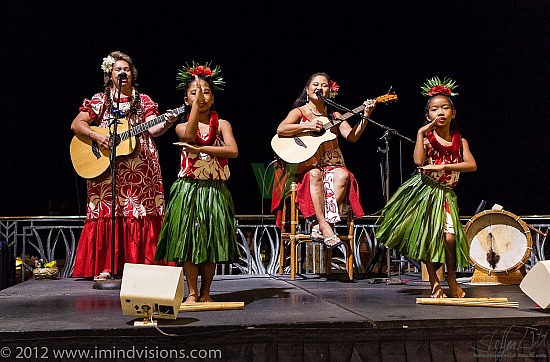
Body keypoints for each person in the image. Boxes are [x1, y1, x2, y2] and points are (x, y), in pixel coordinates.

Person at [70, 51, 178, 281]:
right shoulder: (100, 100)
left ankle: (142, 264)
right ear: (110, 75)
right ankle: (107, 266)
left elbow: (153, 129)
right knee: (111, 211)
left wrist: (166, 123)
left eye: (126, 69)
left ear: (133, 73)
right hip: (107, 168)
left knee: (139, 211)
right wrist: (97, 137)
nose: (122, 72)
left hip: (140, 169)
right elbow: (77, 124)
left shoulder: (144, 100)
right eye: (118, 69)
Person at [375, 76, 477, 298]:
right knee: (429, 238)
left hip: (446, 194)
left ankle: (451, 277)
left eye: (445, 108)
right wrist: (421, 133)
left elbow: (471, 165)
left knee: (449, 238)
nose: (440, 112)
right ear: (427, 116)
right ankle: (434, 280)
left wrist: (444, 166)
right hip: (425, 192)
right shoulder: (427, 139)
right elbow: (419, 163)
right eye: (434, 109)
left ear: (453, 113)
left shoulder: (460, 142)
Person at [154, 61, 239, 303]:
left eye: (206, 93)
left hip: (214, 190)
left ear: (213, 99)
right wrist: (191, 109)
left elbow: (233, 151)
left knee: (211, 241)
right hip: (189, 189)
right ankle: (191, 292)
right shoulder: (181, 125)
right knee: (189, 242)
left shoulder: (222, 124)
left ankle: (206, 293)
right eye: (195, 92)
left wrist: (203, 149)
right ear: (186, 98)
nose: (201, 97)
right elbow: (190, 136)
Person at [271, 72, 377, 248]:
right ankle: (324, 226)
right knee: (314, 173)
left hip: (332, 165)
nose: (319, 88)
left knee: (343, 175)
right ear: (307, 89)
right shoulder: (299, 112)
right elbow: (281, 130)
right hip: (306, 166)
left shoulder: (335, 115)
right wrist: (307, 125)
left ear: (329, 91)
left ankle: (320, 226)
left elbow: (351, 136)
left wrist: (366, 115)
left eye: (324, 85)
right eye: (315, 84)